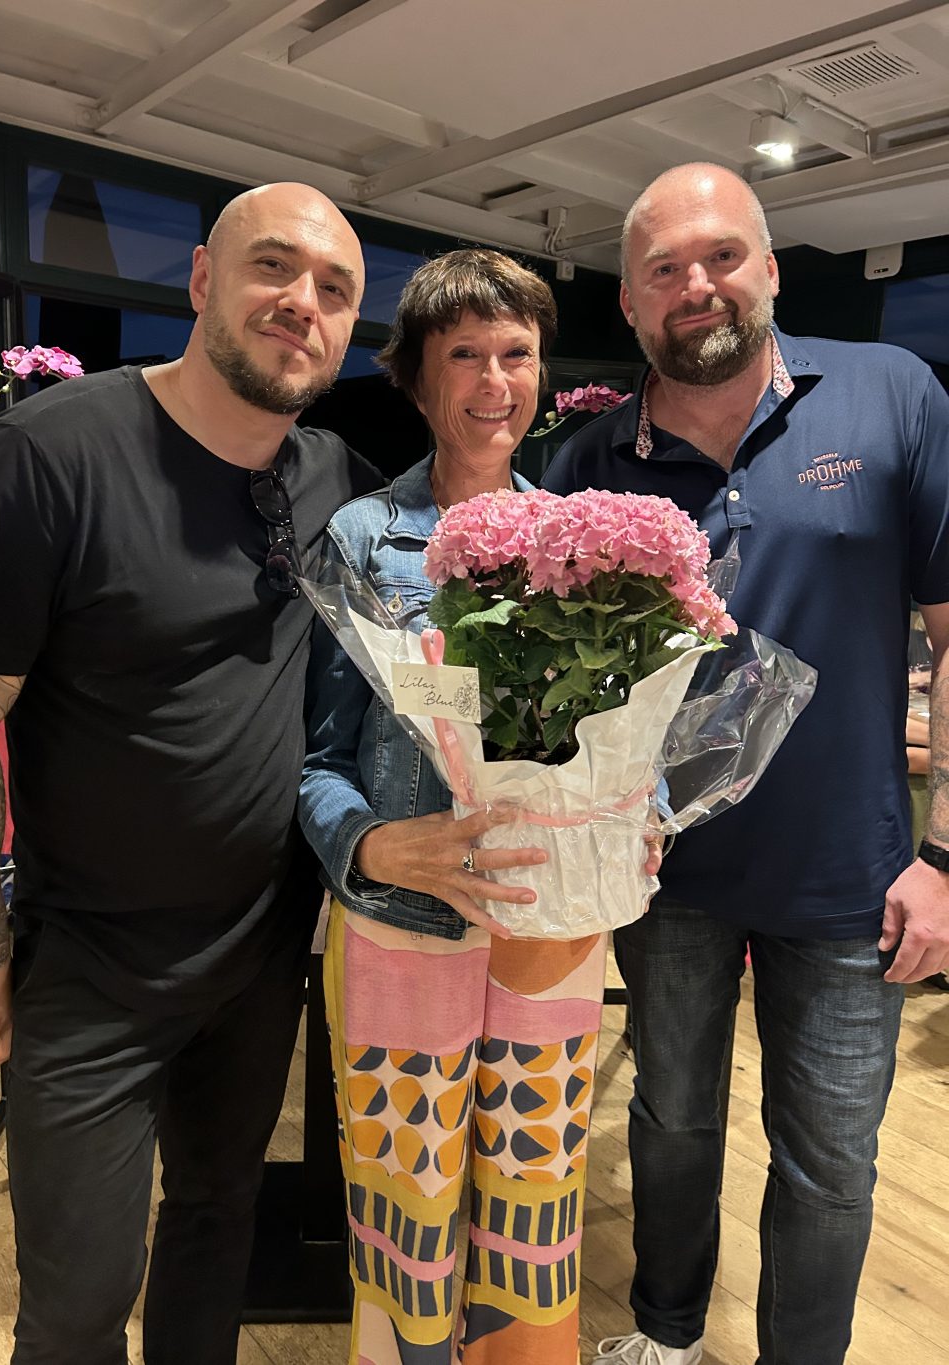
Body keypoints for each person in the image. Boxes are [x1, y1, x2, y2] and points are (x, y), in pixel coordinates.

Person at [0, 182, 382, 1365]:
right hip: (88, 966)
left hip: (259, 953)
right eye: (273, 266)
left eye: (335, 289)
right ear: (201, 280)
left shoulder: (333, 478)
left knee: (216, 1223)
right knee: (77, 1307)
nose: (303, 302)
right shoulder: (48, 457)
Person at [543, 163, 949, 1365]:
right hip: (661, 876)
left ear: (768, 268)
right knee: (669, 1121)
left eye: (721, 255)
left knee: (829, 1161)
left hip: (853, 878)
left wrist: (942, 855)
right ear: (629, 302)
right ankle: (665, 1335)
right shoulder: (586, 463)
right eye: (663, 269)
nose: (696, 285)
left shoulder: (888, 393)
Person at [299, 248, 661, 1363]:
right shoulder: (364, 539)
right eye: (464, 355)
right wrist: (369, 846)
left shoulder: (587, 547)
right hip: (402, 929)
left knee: (534, 1214)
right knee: (405, 1214)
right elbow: (313, 758)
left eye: (517, 353)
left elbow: (623, 734)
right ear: (417, 378)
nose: (495, 381)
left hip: (552, 934)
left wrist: (640, 810)